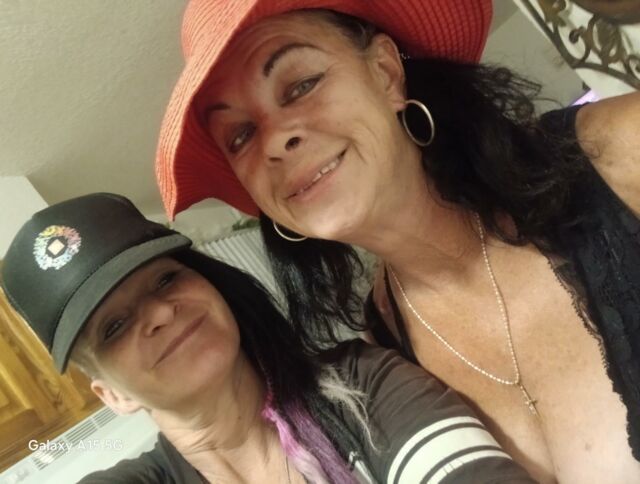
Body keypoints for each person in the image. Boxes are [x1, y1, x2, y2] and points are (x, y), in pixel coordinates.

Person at [154, 0, 640, 482]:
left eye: (301, 85)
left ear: (386, 73)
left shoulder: (618, 151)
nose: (275, 141)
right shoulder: (385, 348)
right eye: (240, 135)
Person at [1, 192, 534, 483]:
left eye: (165, 279)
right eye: (113, 327)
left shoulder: (362, 387)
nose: (160, 312)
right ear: (112, 394)